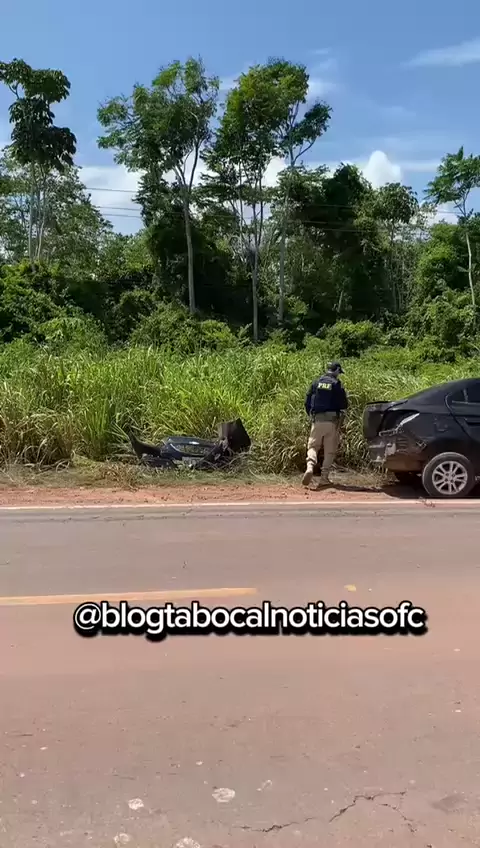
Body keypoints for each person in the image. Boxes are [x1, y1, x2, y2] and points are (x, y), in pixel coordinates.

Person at [302, 361, 348, 487]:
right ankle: (324, 478)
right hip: (332, 421)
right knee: (330, 451)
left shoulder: (316, 382)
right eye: (339, 372)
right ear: (336, 370)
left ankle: (310, 466)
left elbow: (307, 401)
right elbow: (344, 404)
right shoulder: (336, 384)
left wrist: (311, 415)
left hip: (317, 420)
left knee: (313, 446)